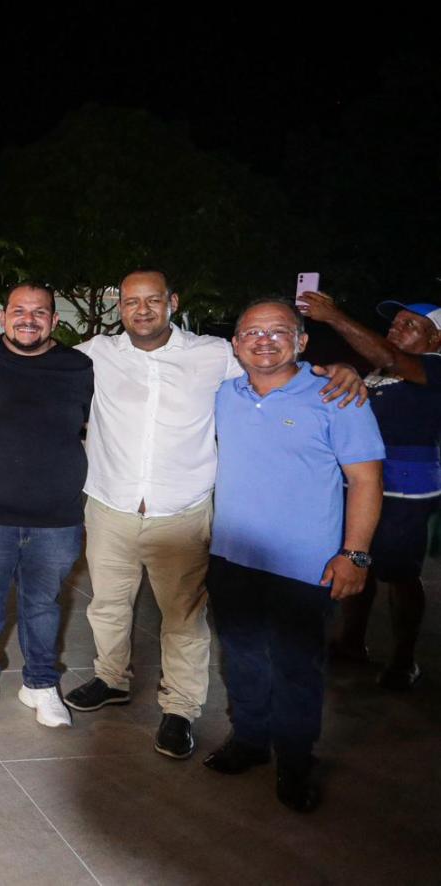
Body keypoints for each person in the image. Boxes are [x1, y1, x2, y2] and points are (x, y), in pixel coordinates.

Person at [63, 270, 364, 758]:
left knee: (183, 617)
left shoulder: (214, 354)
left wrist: (336, 369)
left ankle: (180, 709)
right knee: (108, 606)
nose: (142, 310)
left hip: (182, 512)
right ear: (121, 308)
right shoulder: (97, 352)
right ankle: (111, 678)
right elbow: (37, 361)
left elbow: (274, 363)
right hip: (110, 505)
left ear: (173, 302)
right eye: (132, 301)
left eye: (153, 300)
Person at [204, 297, 383, 812]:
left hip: (305, 565)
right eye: (252, 333)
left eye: (278, 331)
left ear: (301, 341)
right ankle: (250, 740)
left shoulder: (336, 395)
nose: (264, 341)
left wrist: (356, 554)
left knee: (296, 668)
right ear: (236, 345)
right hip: (233, 557)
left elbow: (365, 479)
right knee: (241, 657)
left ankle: (296, 759)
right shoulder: (225, 394)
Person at [0, 282, 93, 729]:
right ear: (2, 316)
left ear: (54, 319)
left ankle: (41, 684)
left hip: (57, 517)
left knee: (43, 604)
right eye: (19, 310)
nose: (29, 319)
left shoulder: (79, 367)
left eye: (40, 312)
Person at [298, 292, 441, 690]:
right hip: (362, 480)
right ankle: (351, 641)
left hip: (404, 487)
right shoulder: (379, 370)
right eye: (395, 322)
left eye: (410, 325)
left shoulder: (432, 367)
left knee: (400, 573)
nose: (397, 328)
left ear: (435, 340)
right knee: (357, 557)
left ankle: (404, 659)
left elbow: (392, 358)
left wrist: (333, 316)